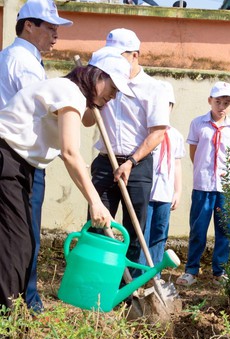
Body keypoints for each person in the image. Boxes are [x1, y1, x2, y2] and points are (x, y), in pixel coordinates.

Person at [0, 49, 133, 310]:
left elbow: (80, 131)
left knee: (23, 244)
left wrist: (97, 104)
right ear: (98, 77)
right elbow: (70, 152)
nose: (114, 96)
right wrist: (96, 202)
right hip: (6, 159)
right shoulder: (69, 91)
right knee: (15, 246)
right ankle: (5, 327)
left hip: (20, 167)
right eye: (113, 88)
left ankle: (10, 320)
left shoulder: (71, 94)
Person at [0, 0, 73, 312]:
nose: (55, 34)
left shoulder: (10, 56)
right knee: (23, 236)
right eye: (50, 27)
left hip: (12, 153)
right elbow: (43, 110)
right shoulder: (24, 62)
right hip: (18, 158)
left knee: (11, 234)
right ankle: (24, 303)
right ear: (28, 25)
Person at [83, 29, 170, 277]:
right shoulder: (103, 83)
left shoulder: (154, 88)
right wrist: (93, 97)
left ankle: (127, 289)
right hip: (105, 162)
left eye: (119, 56)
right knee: (97, 222)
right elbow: (89, 121)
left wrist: (131, 162)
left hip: (138, 165)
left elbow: (158, 133)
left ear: (135, 55)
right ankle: (98, 279)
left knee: (134, 229)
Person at [177, 82, 230, 286]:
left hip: (225, 187)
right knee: (198, 228)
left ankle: (219, 271)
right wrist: (203, 172)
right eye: (218, 101)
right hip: (203, 185)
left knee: (225, 229)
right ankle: (191, 270)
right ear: (210, 101)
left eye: (226, 102)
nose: (221, 106)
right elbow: (194, 153)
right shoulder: (198, 124)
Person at [138, 81, 184, 282]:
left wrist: (177, 191)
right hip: (147, 193)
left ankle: (155, 273)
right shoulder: (145, 133)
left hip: (165, 194)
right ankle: (139, 273)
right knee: (143, 233)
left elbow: (177, 165)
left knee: (160, 233)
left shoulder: (176, 136)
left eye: (168, 105)